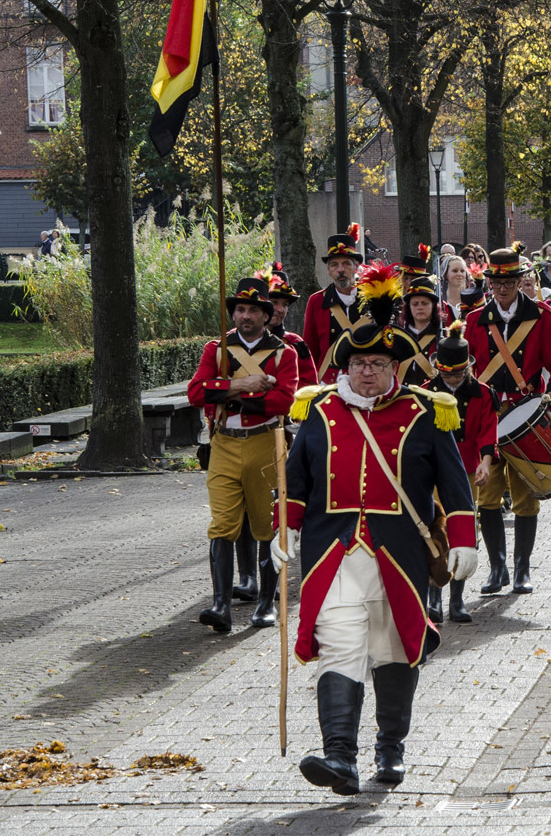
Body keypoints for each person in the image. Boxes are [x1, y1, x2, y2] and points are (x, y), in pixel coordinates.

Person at [275, 293, 477, 794]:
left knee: (393, 649)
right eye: (360, 363)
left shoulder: (427, 411)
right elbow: (295, 481)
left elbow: (454, 483)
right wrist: (287, 527)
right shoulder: (319, 410)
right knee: (340, 645)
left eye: (378, 364)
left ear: (395, 368)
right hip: (334, 551)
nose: (367, 372)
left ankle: (390, 748)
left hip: (398, 552)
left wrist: (463, 538)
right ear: (347, 366)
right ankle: (340, 758)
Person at [186, 277, 300, 633]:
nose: (245, 316)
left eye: (252, 310)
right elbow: (195, 393)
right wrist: (244, 385)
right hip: (223, 442)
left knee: (267, 526)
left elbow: (283, 400)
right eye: (239, 310)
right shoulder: (216, 350)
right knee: (222, 524)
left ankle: (265, 604)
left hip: (265, 444)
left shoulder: (284, 353)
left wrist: (226, 394)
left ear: (266, 315)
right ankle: (220, 605)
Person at [464, 248, 551, 595]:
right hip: (487, 418)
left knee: (526, 497)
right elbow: (467, 370)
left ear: (519, 281)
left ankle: (522, 570)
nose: (502, 288)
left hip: (526, 416)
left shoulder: (542, 317)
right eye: (496, 283)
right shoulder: (474, 320)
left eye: (509, 282)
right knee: (487, 496)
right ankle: (497, 568)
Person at [424, 322, 496, 624]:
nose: (452, 379)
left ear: (467, 368)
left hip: (467, 471)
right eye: (446, 374)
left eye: (457, 373)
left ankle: (457, 599)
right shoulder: (425, 393)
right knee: (433, 532)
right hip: (431, 473)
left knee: (463, 532)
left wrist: (485, 462)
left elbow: (487, 431)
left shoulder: (483, 393)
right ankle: (434, 598)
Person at [303, 224, 368, 384]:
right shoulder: (317, 301)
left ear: (356, 267)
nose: (340, 270)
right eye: (334, 265)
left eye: (346, 263)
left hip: (365, 379)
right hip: (328, 382)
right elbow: (310, 349)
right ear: (328, 271)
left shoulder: (372, 298)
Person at [396, 245, 440, 386]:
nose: (408, 283)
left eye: (424, 303)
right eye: (415, 304)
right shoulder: (396, 324)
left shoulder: (440, 334)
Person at [440, 256, 470, 325]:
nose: (459, 274)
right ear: (446, 274)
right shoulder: (439, 301)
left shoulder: (473, 300)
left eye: (462, 271)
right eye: (455, 271)